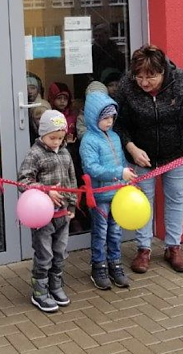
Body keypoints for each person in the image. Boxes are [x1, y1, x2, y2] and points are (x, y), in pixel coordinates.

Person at [114, 46, 183, 274]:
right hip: (141, 155)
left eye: (151, 76)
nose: (144, 82)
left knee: (175, 198)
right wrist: (131, 148)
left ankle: (173, 247)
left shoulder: (179, 80)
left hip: (176, 152)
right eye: (139, 76)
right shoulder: (127, 85)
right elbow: (118, 123)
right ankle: (143, 249)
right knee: (143, 201)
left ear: (163, 71)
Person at [17, 110, 77, 313]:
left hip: (62, 215)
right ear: (42, 133)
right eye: (52, 137)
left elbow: (71, 181)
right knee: (45, 254)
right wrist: (46, 191)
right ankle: (40, 291)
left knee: (60, 252)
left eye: (60, 138)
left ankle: (55, 285)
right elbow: (23, 181)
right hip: (42, 215)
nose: (56, 142)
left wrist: (71, 205)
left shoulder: (65, 153)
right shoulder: (35, 154)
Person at [79, 91, 136, 290]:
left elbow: (121, 159)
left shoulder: (114, 136)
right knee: (100, 232)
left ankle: (115, 264)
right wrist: (118, 172)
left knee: (115, 232)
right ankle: (99, 266)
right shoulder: (88, 140)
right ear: (93, 117)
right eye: (104, 118)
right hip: (100, 195)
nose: (109, 122)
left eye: (112, 117)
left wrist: (127, 173)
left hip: (118, 194)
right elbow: (92, 168)